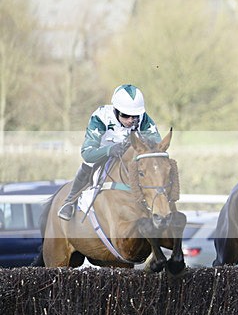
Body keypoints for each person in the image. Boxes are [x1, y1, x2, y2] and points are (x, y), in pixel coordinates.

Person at [57, 84, 161, 221]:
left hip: (130, 156)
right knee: (89, 162)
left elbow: (157, 147)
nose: (131, 120)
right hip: (102, 152)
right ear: (116, 110)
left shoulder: (143, 118)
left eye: (134, 116)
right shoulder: (101, 117)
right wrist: (110, 150)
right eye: (126, 116)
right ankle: (69, 201)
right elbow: (87, 153)